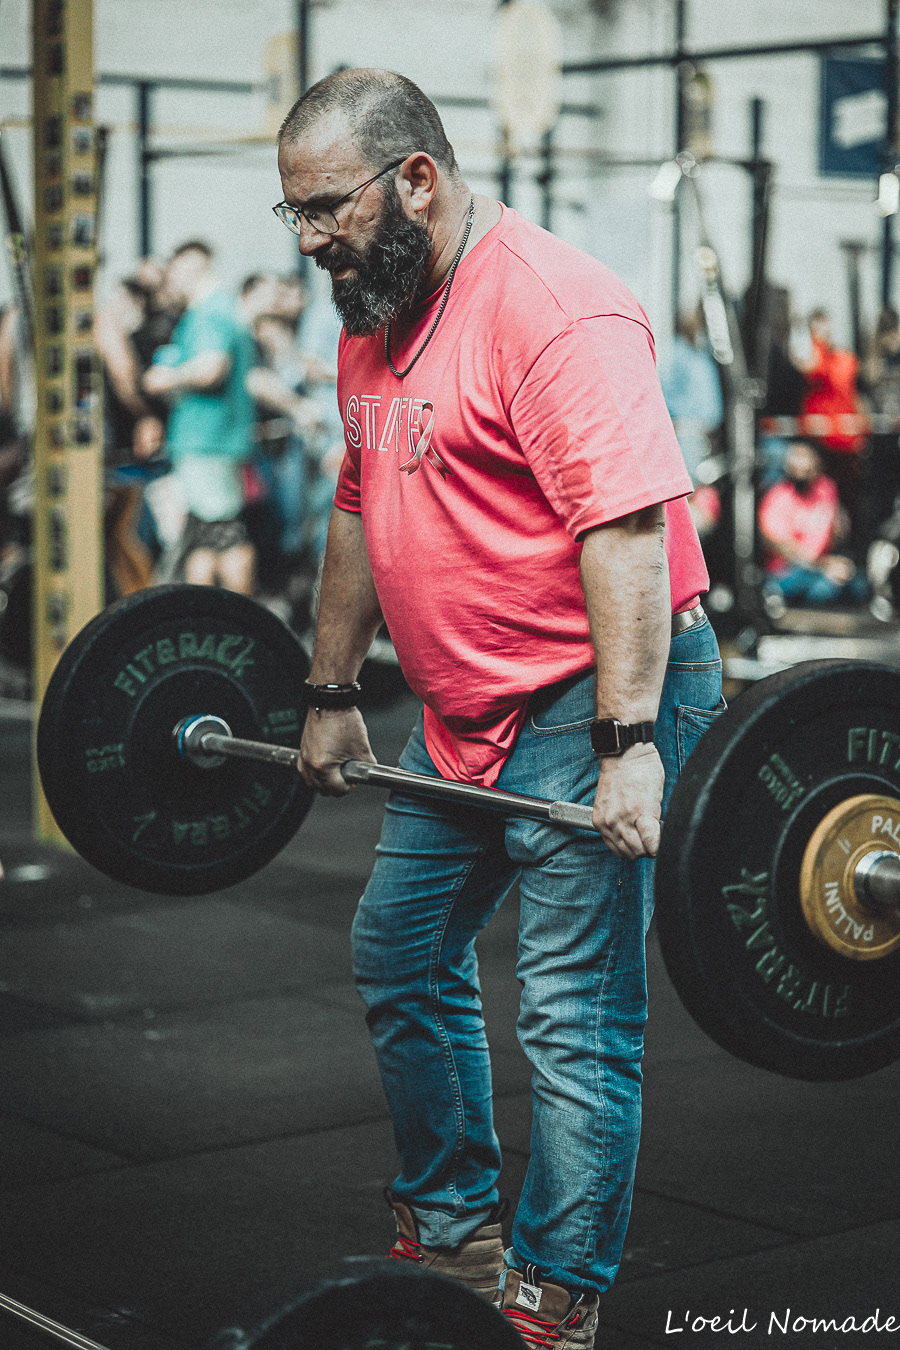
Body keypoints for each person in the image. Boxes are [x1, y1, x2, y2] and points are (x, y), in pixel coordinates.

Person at [277, 69, 720, 1349]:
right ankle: (454, 1231)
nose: (309, 240)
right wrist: (330, 691)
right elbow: (360, 506)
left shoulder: (554, 309)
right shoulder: (375, 310)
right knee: (400, 950)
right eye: (294, 212)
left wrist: (629, 746)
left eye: (327, 208)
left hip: (593, 696)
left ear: (415, 179)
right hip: (462, 706)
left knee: (571, 1014)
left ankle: (555, 1296)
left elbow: (626, 530)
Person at [143, 241, 257, 595]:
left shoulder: (210, 312)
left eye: (173, 271)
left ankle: (243, 618)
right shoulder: (221, 310)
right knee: (205, 540)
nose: (170, 281)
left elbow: (212, 369)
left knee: (225, 535)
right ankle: (203, 615)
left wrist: (166, 378)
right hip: (212, 440)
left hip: (207, 442)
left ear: (190, 267)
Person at [758, 439, 865, 609]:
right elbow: (783, 547)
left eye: (805, 457)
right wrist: (825, 564)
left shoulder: (826, 489)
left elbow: (835, 532)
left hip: (822, 567)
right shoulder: (778, 496)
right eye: (796, 456)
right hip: (787, 572)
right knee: (824, 589)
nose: (800, 463)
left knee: (858, 585)